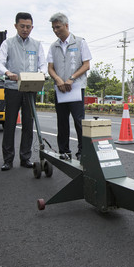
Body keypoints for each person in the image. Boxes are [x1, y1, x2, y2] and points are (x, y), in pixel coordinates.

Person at [0, 12, 46, 171]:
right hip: (12, 88)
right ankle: (8, 159)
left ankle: (25, 157)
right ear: (15, 26)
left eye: (28, 27)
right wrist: (8, 73)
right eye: (22, 26)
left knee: (28, 124)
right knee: (9, 124)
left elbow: (43, 64)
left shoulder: (37, 45)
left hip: (30, 89)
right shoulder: (7, 44)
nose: (25, 29)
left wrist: (42, 73)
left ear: (32, 27)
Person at [46, 12, 91, 160]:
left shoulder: (80, 42)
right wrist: (58, 79)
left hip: (76, 88)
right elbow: (50, 68)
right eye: (53, 28)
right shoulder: (53, 46)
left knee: (79, 121)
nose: (55, 30)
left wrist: (71, 78)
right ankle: (64, 151)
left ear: (66, 25)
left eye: (58, 27)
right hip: (60, 89)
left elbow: (86, 65)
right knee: (62, 121)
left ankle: (82, 152)